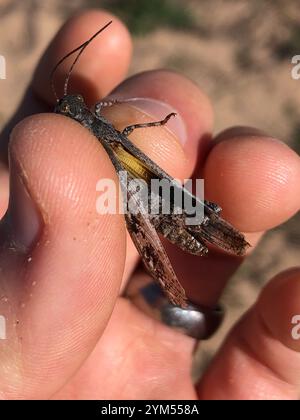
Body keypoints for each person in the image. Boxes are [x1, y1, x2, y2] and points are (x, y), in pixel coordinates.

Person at [0, 10, 299, 400]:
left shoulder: (96, 124)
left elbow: (125, 136)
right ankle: (173, 282)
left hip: (151, 195)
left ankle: (206, 234)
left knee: (187, 195)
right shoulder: (75, 143)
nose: (70, 106)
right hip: (131, 204)